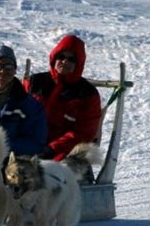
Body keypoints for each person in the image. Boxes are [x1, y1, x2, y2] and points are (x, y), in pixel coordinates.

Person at [23, 34, 102, 162]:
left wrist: (52, 149)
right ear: (54, 58)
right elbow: (16, 113)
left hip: (64, 152)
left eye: (72, 59)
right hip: (29, 144)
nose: (65, 62)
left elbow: (83, 133)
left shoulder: (87, 94)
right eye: (61, 57)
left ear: (79, 64)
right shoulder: (34, 83)